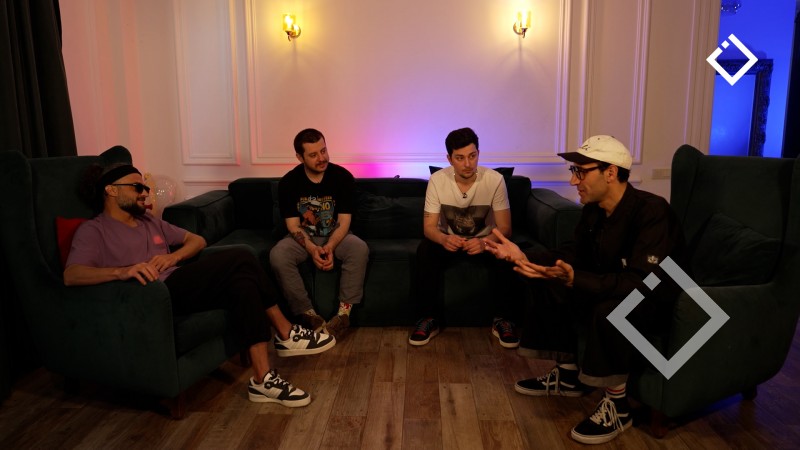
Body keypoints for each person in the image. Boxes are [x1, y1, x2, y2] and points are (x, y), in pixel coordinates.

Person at [64, 163, 336, 408]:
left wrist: (173, 257)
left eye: (145, 187)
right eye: (137, 187)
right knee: (241, 256)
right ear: (111, 190)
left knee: (243, 284)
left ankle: (262, 380)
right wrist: (122, 271)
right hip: (151, 297)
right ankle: (285, 332)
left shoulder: (149, 221)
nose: (144, 193)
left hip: (179, 282)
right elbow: (72, 274)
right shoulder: (94, 230)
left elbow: (197, 240)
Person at [484, 135, 686, 445]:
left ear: (610, 172)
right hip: (620, 287)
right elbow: (572, 254)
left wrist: (576, 279)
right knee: (546, 279)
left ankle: (618, 407)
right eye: (573, 171)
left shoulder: (653, 212)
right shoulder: (593, 210)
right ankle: (568, 376)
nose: (573, 180)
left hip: (657, 301)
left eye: (581, 172)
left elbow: (641, 282)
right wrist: (524, 257)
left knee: (610, 309)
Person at [408, 127, 521, 347]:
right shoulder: (437, 180)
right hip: (450, 241)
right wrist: (443, 239)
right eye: (460, 158)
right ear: (449, 159)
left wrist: (484, 243)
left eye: (472, 156)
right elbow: (429, 228)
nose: (468, 164)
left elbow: (505, 228)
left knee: (507, 250)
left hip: (484, 241)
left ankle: (503, 320)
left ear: (478, 153)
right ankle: (428, 318)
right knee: (425, 249)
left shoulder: (495, 180)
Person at [270, 128, 369, 339]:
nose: (321, 158)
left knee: (359, 248)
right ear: (300, 157)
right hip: (303, 238)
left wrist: (330, 246)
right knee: (278, 254)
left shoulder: (342, 177)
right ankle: (308, 315)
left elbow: (344, 221)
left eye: (323, 151)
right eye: (313, 155)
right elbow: (293, 226)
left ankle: (343, 315)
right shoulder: (288, 182)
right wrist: (312, 249)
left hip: (337, 235)